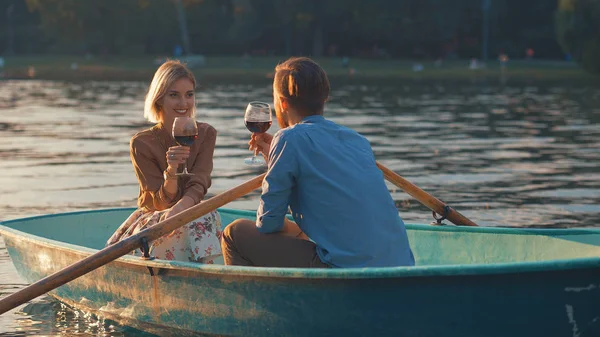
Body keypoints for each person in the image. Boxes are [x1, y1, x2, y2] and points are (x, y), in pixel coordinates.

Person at [221, 57, 415, 268]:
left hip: (345, 271)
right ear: (325, 98)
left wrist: (281, 151)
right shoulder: (356, 140)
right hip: (400, 266)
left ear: (283, 103)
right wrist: (276, 158)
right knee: (300, 232)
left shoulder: (288, 138)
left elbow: (268, 223)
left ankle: (256, 300)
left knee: (234, 233)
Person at [107, 60, 222, 263]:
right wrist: (171, 170)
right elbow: (160, 203)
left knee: (202, 216)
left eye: (189, 95)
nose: (184, 104)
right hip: (155, 217)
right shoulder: (141, 143)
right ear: (159, 99)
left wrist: (182, 209)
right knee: (192, 220)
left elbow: (200, 182)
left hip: (192, 210)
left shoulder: (206, 133)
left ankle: (212, 278)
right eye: (174, 95)